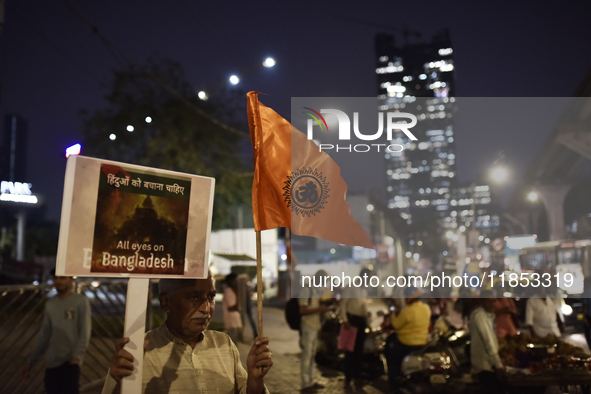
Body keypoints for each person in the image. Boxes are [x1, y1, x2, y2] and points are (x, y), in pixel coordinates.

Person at [102, 273, 273, 394]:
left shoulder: (224, 344)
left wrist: (255, 379)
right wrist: (121, 385)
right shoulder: (138, 352)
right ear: (166, 302)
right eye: (193, 297)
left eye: (211, 297)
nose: (206, 308)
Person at [22, 270, 92, 394]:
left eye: (62, 278)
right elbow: (44, 334)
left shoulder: (81, 301)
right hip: (52, 362)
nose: (58, 281)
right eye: (56, 278)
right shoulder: (50, 304)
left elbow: (85, 331)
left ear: (71, 279)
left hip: (70, 361)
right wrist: (31, 360)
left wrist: (76, 356)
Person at [386, 286, 431, 391]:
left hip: (406, 343)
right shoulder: (426, 308)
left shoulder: (408, 310)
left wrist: (393, 315)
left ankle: (393, 385)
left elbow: (396, 325)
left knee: (392, 361)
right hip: (422, 343)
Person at [299, 269, 332, 392]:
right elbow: (302, 310)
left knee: (312, 354)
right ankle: (305, 383)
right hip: (308, 325)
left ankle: (310, 380)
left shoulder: (317, 290)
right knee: (307, 355)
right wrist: (319, 309)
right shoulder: (306, 290)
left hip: (315, 325)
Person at [339, 268, 372, 390]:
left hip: (361, 322)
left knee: (359, 351)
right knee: (350, 352)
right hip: (351, 322)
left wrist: (368, 324)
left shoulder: (363, 290)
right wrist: (345, 320)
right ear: (364, 276)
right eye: (369, 277)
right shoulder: (351, 287)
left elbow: (364, 308)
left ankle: (356, 377)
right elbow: (342, 305)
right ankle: (348, 379)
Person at [469, 291, 505, 394]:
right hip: (484, 365)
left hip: (488, 364)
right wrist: (498, 365)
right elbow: (488, 340)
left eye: (494, 301)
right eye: (489, 301)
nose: (492, 304)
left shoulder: (487, 316)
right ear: (481, 302)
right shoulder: (480, 316)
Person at [223, 272, 243, 344]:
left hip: (235, 321)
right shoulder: (229, 291)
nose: (236, 282)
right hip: (231, 321)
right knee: (233, 343)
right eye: (234, 280)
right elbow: (232, 307)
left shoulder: (231, 291)